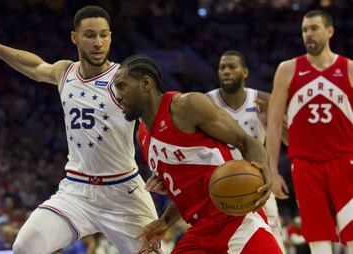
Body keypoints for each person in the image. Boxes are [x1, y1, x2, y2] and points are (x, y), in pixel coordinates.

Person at [0, 6, 158, 254]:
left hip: (123, 192)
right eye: (90, 35)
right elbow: (33, 66)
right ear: (75, 37)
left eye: (104, 35)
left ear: (111, 36)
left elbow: (154, 123)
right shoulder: (65, 72)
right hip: (76, 191)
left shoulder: (123, 79)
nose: (98, 42)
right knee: (25, 247)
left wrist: (162, 167)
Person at [114, 54, 281, 253]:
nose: (118, 95)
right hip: (200, 231)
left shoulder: (186, 106)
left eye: (122, 86)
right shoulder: (142, 136)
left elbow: (245, 141)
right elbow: (186, 193)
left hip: (237, 221)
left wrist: (265, 170)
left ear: (146, 83)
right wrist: (165, 221)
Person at [267, 10, 353, 254]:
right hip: (305, 164)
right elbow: (273, 123)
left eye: (314, 28)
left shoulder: (348, 68)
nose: (308, 34)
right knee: (317, 237)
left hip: (345, 160)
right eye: (305, 30)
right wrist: (272, 170)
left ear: (330, 31)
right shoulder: (287, 69)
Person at [206, 50, 286, 252]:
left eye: (232, 67)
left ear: (245, 72)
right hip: (221, 187)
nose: (226, 71)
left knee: (274, 245)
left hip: (258, 184)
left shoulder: (262, 99)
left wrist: (274, 121)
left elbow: (290, 140)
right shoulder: (205, 103)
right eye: (222, 67)